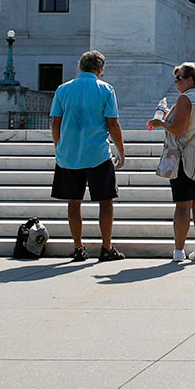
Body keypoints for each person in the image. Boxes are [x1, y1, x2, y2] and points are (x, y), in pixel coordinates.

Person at [49, 49, 126, 264]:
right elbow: (113, 123)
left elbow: (56, 121)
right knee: (106, 201)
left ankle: (78, 247)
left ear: (80, 67)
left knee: (74, 202)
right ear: (101, 69)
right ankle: (106, 247)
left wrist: (59, 146)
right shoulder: (106, 89)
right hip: (97, 154)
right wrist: (121, 150)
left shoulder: (63, 89)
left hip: (69, 155)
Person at [153, 62, 195, 264]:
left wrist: (161, 122)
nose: (176, 83)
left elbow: (178, 130)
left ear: (190, 79)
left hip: (184, 159)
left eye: (179, 78)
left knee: (182, 206)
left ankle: (179, 250)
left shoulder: (185, 99)